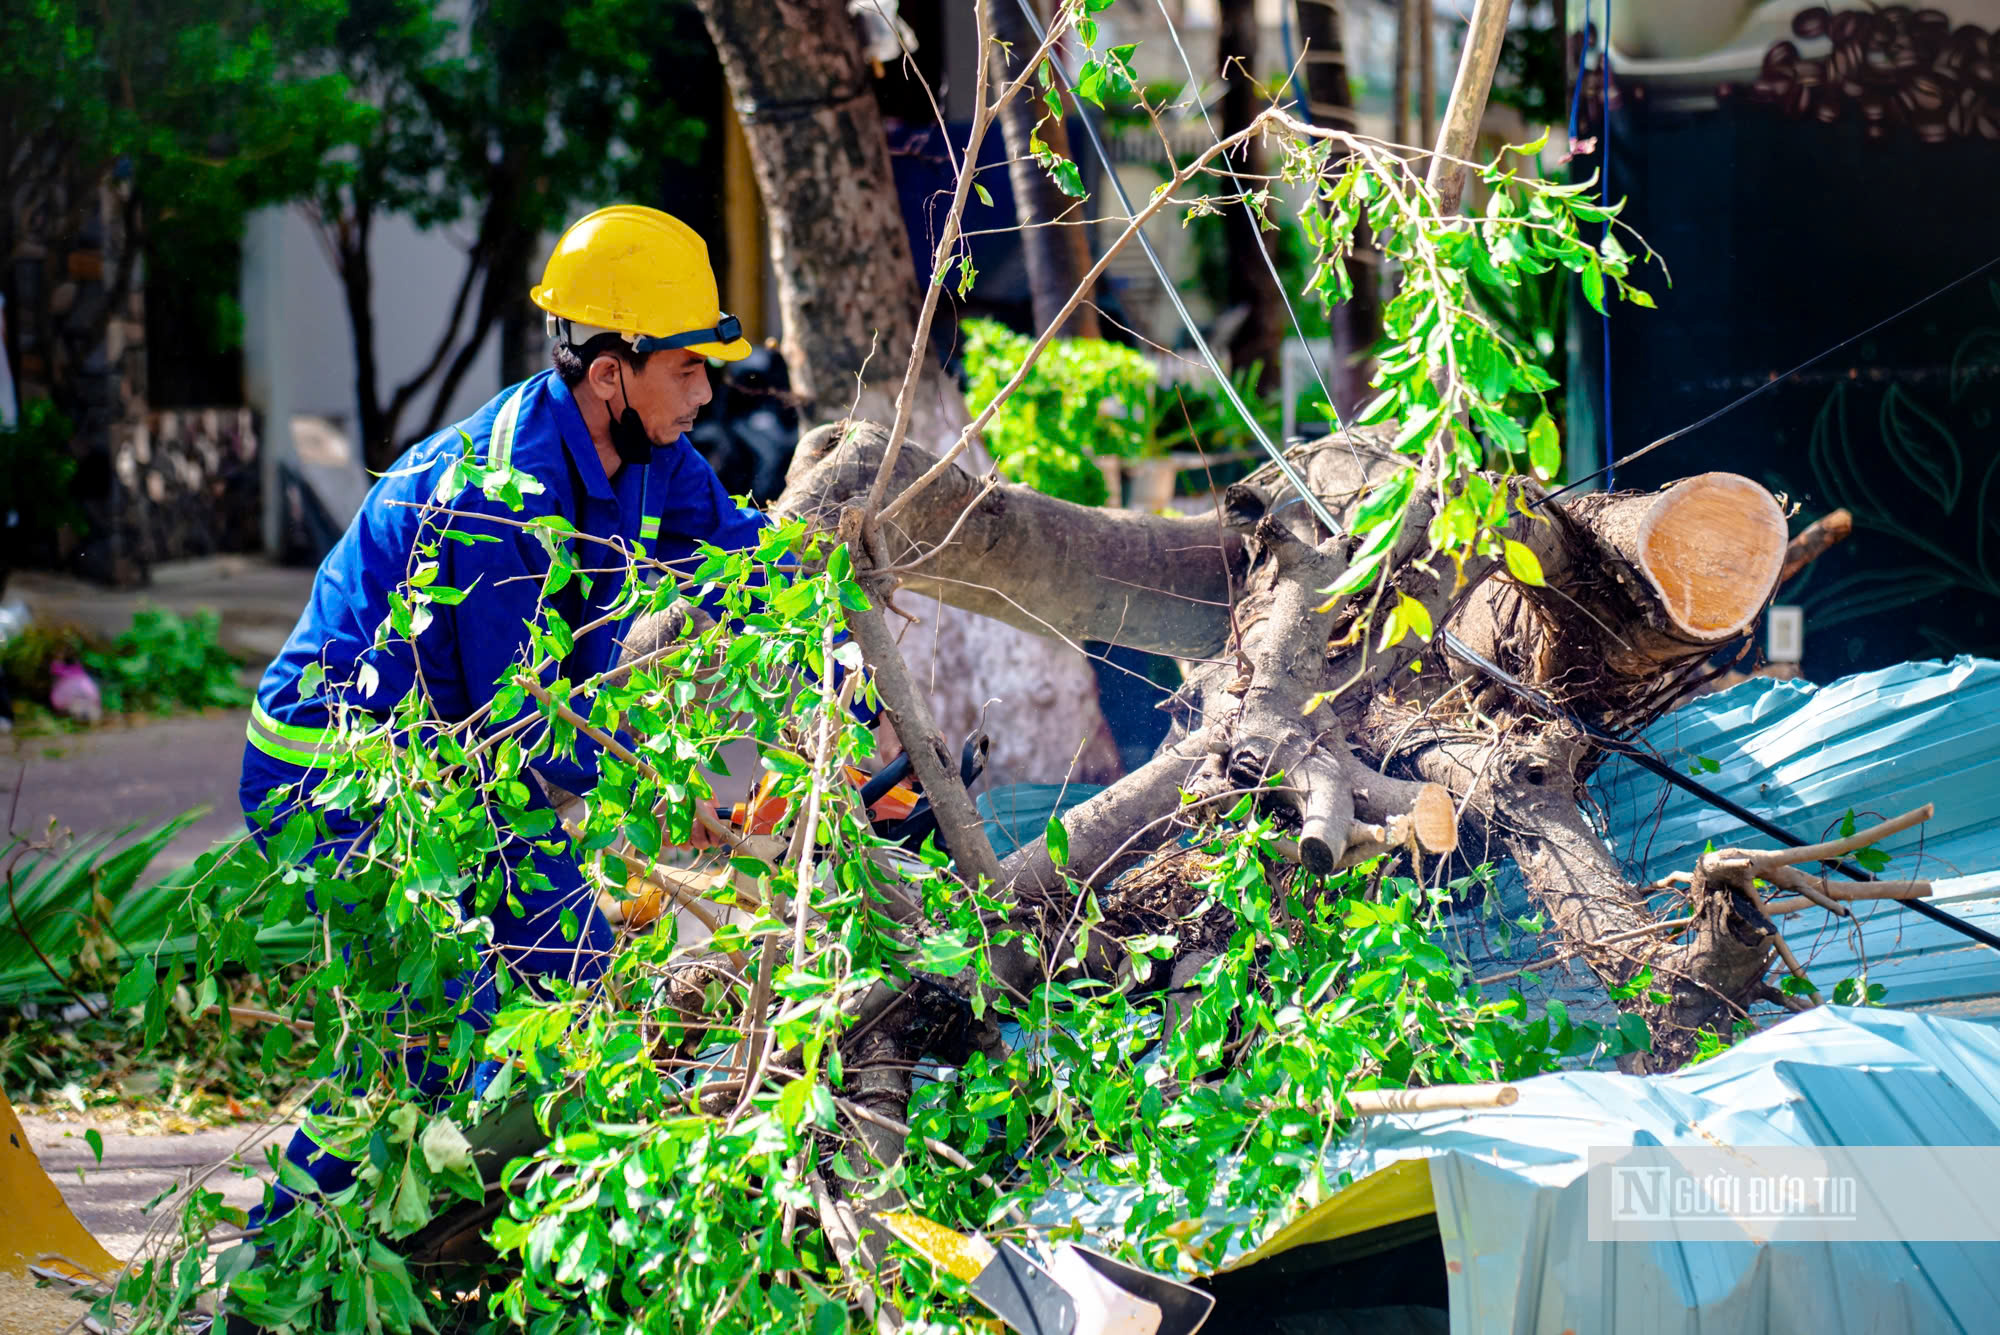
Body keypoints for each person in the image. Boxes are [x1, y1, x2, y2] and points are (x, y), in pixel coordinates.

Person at [237, 204, 770, 1226]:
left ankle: (488, 1248)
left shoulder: (653, 453)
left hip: (453, 781)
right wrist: (654, 793)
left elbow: (741, 557)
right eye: (687, 366)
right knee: (428, 1038)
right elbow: (512, 740)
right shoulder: (501, 499)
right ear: (609, 368)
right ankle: (277, 1270)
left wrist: (844, 578)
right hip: (342, 783)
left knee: (584, 992)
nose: (707, 389)